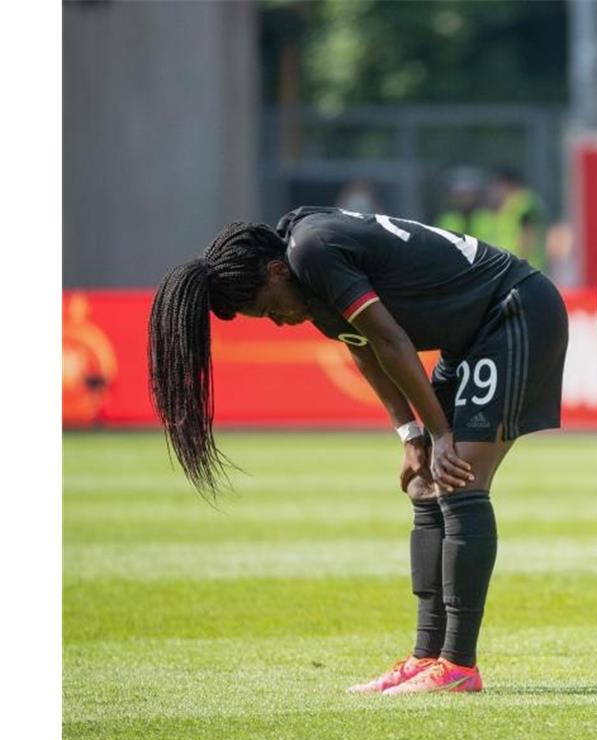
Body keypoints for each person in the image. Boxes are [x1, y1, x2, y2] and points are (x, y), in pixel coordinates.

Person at [148, 207, 569, 694]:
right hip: (471, 335)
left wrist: (441, 434)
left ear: (276, 272)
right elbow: (365, 347)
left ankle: (458, 666)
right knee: (426, 486)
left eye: (269, 309)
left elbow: (391, 340)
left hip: (513, 310)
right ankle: (426, 655)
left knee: (459, 478)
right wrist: (412, 435)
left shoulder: (312, 251)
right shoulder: (305, 275)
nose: (281, 322)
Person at [487, 168, 547, 274]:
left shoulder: (524, 202)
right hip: (510, 265)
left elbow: (527, 235)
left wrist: (521, 265)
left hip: (523, 266)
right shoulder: (507, 205)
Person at [434, 166, 497, 242]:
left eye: (467, 194)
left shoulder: (489, 218)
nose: (463, 199)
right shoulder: (447, 220)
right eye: (459, 194)